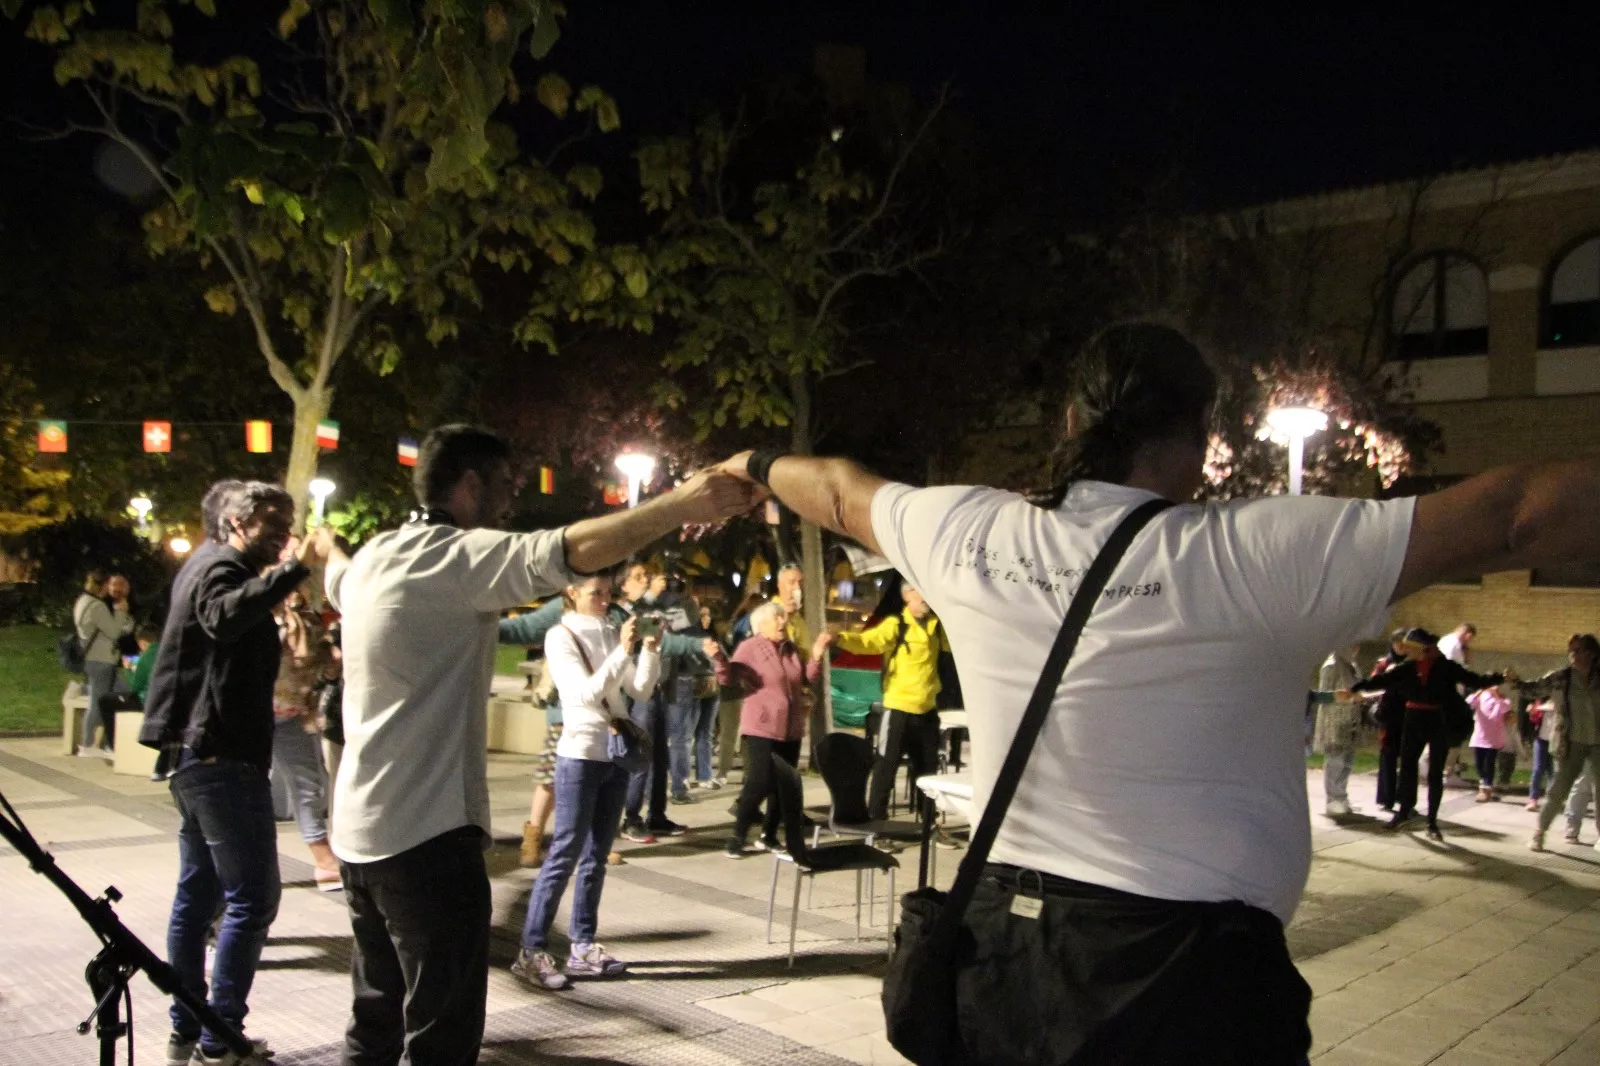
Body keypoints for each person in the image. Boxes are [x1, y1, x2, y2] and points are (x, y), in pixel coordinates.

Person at [712, 321, 1600, 1062]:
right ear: (1202, 437)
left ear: (1070, 419)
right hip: (1185, 988)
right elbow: (1519, 511)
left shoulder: (971, 531)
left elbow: (832, 487)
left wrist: (751, 461)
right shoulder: (1256, 553)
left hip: (1006, 960)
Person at [323, 424, 756, 1066]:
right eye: (503, 487)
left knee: (375, 1022)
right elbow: (569, 549)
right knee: (440, 1040)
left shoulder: (374, 559)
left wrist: (324, 546)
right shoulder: (455, 556)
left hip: (358, 837)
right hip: (426, 843)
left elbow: (333, 575)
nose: (509, 503)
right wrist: (683, 504)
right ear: (470, 485)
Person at [138, 481, 332, 1066]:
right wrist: (298, 566)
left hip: (200, 758)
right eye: (274, 525)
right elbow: (224, 619)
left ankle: (188, 1027)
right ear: (234, 523)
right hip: (219, 761)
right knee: (252, 896)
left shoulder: (208, 566)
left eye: (289, 525)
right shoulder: (219, 567)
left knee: (198, 896)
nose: (285, 535)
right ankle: (220, 1037)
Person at [510, 573, 660, 991]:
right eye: (596, 593)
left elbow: (641, 690)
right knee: (565, 853)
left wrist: (649, 651)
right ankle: (532, 949)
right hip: (579, 754)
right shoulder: (560, 636)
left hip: (613, 756)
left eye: (608, 592)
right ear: (571, 593)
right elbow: (584, 695)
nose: (605, 599)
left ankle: (583, 945)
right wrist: (624, 650)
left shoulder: (612, 630)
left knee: (597, 855)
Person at [1344, 629, 1503, 841]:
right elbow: (1383, 680)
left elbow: (1474, 679)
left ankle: (1432, 822)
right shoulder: (1408, 667)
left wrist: (1498, 677)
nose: (1406, 650)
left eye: (1411, 647)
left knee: (1435, 773)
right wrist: (1357, 687)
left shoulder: (1446, 667)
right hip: (1413, 719)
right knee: (1408, 767)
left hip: (1438, 720)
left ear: (1424, 648)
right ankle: (1403, 812)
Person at [706, 602, 830, 857]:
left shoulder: (791, 649)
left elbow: (808, 678)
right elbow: (728, 677)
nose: (782, 622)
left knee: (783, 785)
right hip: (761, 727)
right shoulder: (750, 648)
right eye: (777, 618)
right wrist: (718, 657)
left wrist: (817, 655)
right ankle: (737, 835)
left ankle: (769, 835)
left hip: (791, 728)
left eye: (782, 618)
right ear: (761, 625)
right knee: (759, 781)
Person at [826, 572, 951, 821]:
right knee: (886, 767)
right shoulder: (896, 625)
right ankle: (876, 822)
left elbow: (961, 646)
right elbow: (868, 642)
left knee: (928, 773)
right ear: (907, 596)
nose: (925, 597)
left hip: (927, 710)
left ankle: (929, 825)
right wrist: (840, 638)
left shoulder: (938, 627)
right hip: (898, 709)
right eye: (919, 591)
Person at [613, 562, 705, 843]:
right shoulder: (621, 613)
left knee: (660, 757)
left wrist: (683, 600)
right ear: (623, 585)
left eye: (648, 577)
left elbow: (686, 627)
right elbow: (654, 635)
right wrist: (652, 598)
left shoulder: (654, 607)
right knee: (642, 755)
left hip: (662, 687)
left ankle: (657, 815)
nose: (647, 581)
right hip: (640, 692)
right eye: (639, 577)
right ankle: (632, 818)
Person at [272, 582, 340, 890]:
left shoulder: (310, 617)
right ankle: (324, 859)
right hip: (252, 716)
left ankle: (325, 862)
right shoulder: (261, 610)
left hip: (291, 715)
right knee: (244, 795)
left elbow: (324, 663)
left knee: (313, 785)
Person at [1520, 634, 1600, 852]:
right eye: (1570, 650)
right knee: (1558, 790)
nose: (1572, 654)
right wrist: (1513, 682)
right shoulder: (1561, 678)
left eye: (1578, 649)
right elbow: (1533, 688)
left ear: (1591, 654)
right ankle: (1539, 833)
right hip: (1571, 742)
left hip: (1598, 743)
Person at [74, 569, 133, 756]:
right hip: (102, 660)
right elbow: (114, 631)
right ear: (102, 585)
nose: (112, 588)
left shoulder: (83, 601)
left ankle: (110, 743)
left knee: (122, 695)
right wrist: (121, 612)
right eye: (110, 584)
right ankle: (88, 745)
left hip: (97, 659)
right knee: (98, 702)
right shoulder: (97, 606)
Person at [1314, 643, 1364, 818]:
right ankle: (1334, 798)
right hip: (1334, 720)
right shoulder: (1331, 665)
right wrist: (1347, 697)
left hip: (1350, 719)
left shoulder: (1352, 665)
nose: (1355, 649)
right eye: (1351, 645)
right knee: (1336, 760)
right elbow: (1325, 695)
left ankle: (1341, 795)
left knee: (1347, 760)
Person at [1370, 629, 1409, 811]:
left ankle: (1405, 799)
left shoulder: (1414, 663)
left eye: (1404, 643)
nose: (1401, 646)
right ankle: (1387, 798)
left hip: (1409, 715)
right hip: (1389, 715)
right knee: (1388, 757)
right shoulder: (1384, 663)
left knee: (1408, 759)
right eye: (1397, 642)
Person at [1467, 682, 1515, 802]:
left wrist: (1497, 697)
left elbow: (1501, 712)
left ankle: (1486, 787)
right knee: (1479, 764)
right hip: (1479, 737)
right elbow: (1469, 702)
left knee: (1489, 763)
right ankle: (1485, 784)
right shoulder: (1480, 697)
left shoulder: (1503, 700)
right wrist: (1479, 692)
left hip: (1493, 739)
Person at [1526, 696, 1556, 811]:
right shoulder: (1542, 701)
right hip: (1541, 741)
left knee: (1553, 772)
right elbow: (1534, 718)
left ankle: (1551, 801)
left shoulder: (1563, 702)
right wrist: (1531, 711)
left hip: (1555, 742)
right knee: (1538, 769)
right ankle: (1533, 799)